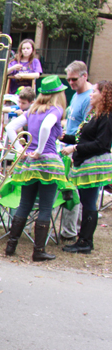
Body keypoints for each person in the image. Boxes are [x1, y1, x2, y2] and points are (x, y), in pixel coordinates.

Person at [3, 75, 69, 261]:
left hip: (29, 163)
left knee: (25, 204)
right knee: (46, 207)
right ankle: (38, 251)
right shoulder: (56, 109)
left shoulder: (32, 110)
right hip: (48, 162)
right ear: (58, 94)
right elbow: (46, 127)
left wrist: (19, 149)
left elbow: (10, 127)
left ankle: (11, 246)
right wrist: (40, 150)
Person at [59, 80, 112, 254]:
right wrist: (63, 137)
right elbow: (83, 138)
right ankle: (84, 239)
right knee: (86, 201)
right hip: (87, 161)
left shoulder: (107, 117)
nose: (91, 94)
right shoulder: (96, 114)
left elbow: (101, 144)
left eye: (94, 91)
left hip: (94, 164)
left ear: (104, 95)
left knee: (89, 202)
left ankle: (85, 242)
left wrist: (74, 148)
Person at [59, 60, 93, 241]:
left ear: (84, 76)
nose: (71, 83)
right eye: (68, 80)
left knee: (72, 192)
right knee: (71, 191)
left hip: (77, 149)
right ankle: (72, 229)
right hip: (69, 145)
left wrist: (75, 150)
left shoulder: (90, 97)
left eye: (74, 80)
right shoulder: (77, 94)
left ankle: (70, 231)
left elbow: (87, 129)